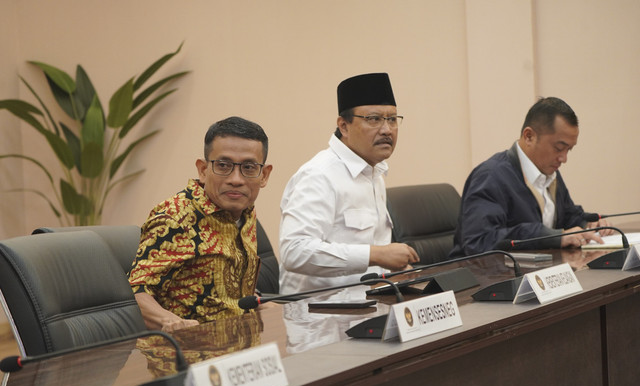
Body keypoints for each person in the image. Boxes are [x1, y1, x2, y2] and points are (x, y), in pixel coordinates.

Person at [279, 72, 419, 294]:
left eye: (392, 119)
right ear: (343, 126)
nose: (386, 129)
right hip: (318, 316)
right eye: (374, 119)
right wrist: (376, 255)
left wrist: (395, 271)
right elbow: (294, 252)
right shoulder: (319, 175)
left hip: (370, 305)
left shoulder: (375, 173)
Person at [128, 116, 272, 331]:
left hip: (241, 354)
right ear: (203, 170)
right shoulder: (175, 218)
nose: (236, 179)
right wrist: (168, 320)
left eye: (249, 167)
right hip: (189, 355)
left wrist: (266, 306)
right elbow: (134, 293)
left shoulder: (245, 212)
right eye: (223, 165)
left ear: (264, 175)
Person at [450, 97, 611, 257]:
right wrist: (552, 237)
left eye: (569, 150)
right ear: (529, 136)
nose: (564, 158)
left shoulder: (549, 172)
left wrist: (589, 224)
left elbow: (567, 216)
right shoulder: (491, 176)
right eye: (559, 148)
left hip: (538, 271)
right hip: (488, 276)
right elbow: (480, 241)